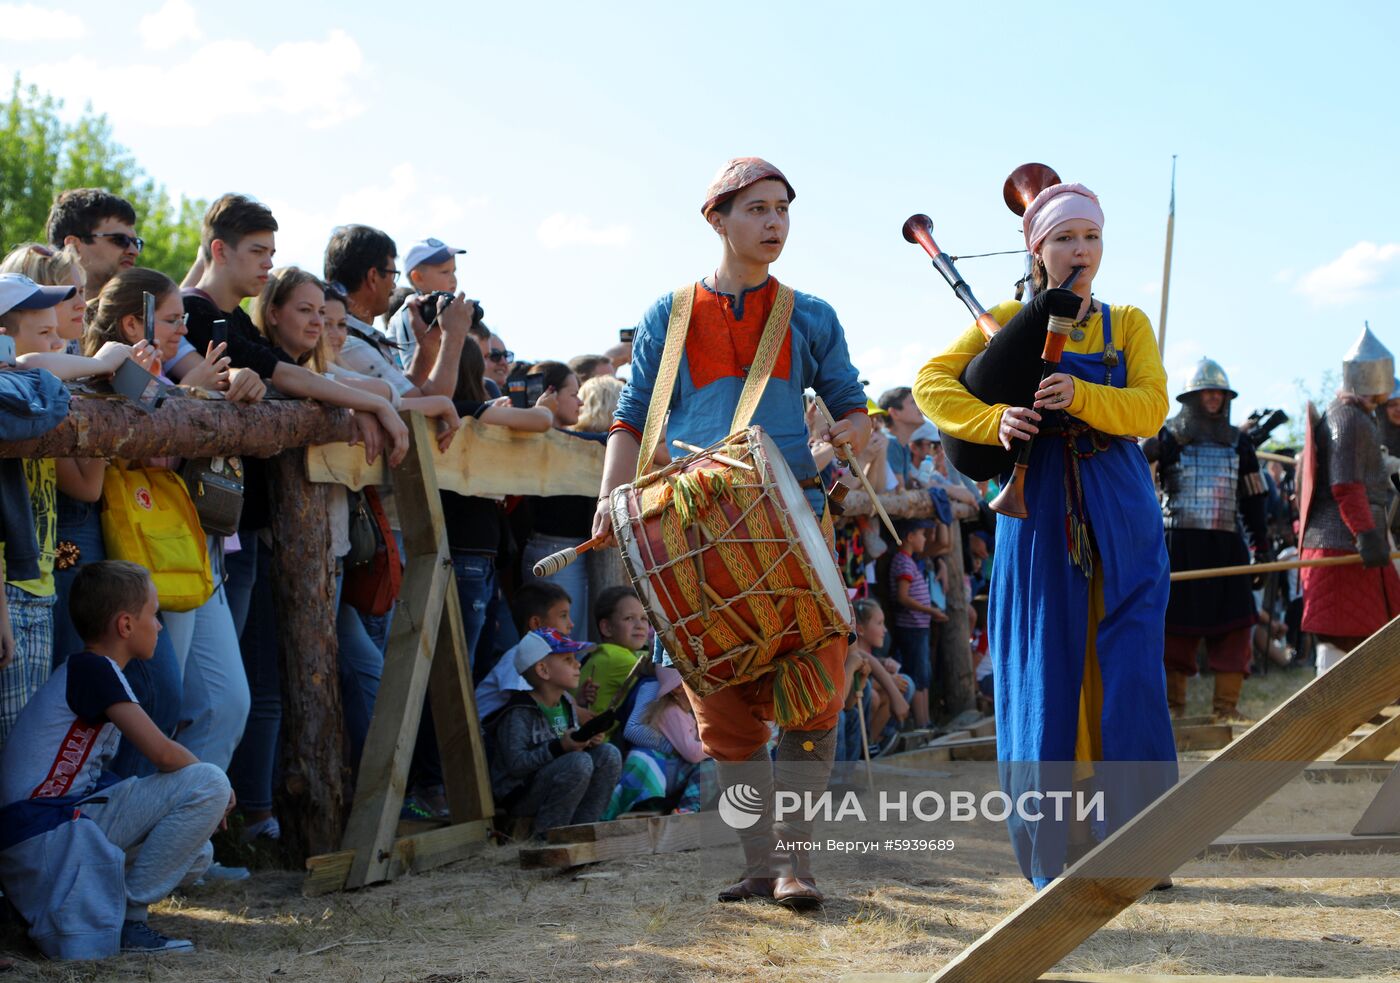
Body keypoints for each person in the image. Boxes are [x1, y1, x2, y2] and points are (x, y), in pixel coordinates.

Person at [595, 158, 869, 909]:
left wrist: (846, 437)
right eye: (756, 208)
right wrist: (610, 498)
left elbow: (854, 408)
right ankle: (759, 861)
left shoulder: (810, 314)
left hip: (790, 526)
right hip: (693, 532)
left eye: (782, 208)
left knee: (816, 689)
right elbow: (631, 416)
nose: (774, 222)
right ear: (717, 219)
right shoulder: (670, 314)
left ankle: (798, 865)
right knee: (724, 710)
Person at [913, 181, 1177, 888]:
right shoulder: (1004, 317)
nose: (1080, 251)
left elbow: (1151, 407)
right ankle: (1054, 850)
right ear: (1037, 248)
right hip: (1038, 508)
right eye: (1065, 239)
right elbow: (930, 384)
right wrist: (991, 421)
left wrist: (1084, 396)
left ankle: (1143, 844)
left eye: (1090, 238)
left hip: (1120, 505)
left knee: (1131, 675)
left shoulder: (1128, 324)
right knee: (1043, 666)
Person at [0, 561, 233, 955]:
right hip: (41, 832)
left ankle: (103, 910)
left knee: (196, 851)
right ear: (125, 626)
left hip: (50, 829)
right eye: (153, 614)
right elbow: (160, 751)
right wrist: (221, 792)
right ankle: (130, 921)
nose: (159, 625)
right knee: (210, 781)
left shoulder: (96, 668)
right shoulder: (94, 670)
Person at [0, 273, 149, 743]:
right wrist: (98, 361)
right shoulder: (22, 384)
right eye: (47, 333)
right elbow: (28, 363)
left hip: (39, 586)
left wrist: (105, 409)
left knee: (21, 734)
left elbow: (86, 487)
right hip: (10, 589)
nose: (60, 343)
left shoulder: (47, 394)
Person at [1143, 359, 1271, 720]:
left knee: (1235, 626)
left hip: (1227, 546)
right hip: (1178, 544)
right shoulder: (1168, 437)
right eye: (1207, 391)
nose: (1213, 397)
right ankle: (1172, 708)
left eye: (1219, 392)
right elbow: (1134, 472)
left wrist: (1260, 550)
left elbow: (1254, 500)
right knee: (1174, 629)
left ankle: (1226, 708)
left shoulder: (1239, 443)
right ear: (1192, 397)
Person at [1300, 326, 1400, 673]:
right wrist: (1365, 535)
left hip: (1350, 538)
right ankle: (1330, 714)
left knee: (1369, 628)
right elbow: (1345, 486)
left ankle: (1363, 710)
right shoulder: (1349, 418)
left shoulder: (1356, 415)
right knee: (1340, 634)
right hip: (1342, 541)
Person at [483, 628, 621, 836]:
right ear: (543, 670)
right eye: (567, 660)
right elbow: (516, 766)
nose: (577, 665)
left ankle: (584, 831)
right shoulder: (519, 712)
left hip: (555, 779)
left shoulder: (565, 702)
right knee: (578, 763)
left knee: (609, 754)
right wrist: (561, 747)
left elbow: (567, 752)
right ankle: (548, 836)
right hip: (521, 793)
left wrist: (585, 740)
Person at [605, 666, 716, 818]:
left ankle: (688, 809)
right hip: (660, 768)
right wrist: (719, 744)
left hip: (669, 770)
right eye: (698, 681)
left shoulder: (683, 712)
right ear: (677, 688)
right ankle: (687, 809)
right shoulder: (671, 710)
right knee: (711, 762)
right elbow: (692, 753)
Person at [575, 585, 653, 740]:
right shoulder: (614, 657)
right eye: (629, 618)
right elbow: (665, 671)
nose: (640, 625)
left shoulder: (612, 652)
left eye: (644, 618)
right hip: (594, 745)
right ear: (607, 628)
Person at [888, 517, 940, 729]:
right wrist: (931, 610)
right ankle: (921, 724)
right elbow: (903, 596)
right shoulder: (902, 561)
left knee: (923, 673)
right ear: (910, 537)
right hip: (911, 626)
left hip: (919, 626)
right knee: (917, 675)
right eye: (921, 535)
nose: (925, 539)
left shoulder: (909, 560)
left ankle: (925, 721)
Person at [44, 189, 141, 299]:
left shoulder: (144, 313)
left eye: (136, 243)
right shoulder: (30, 311)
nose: (134, 251)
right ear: (73, 246)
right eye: (121, 240)